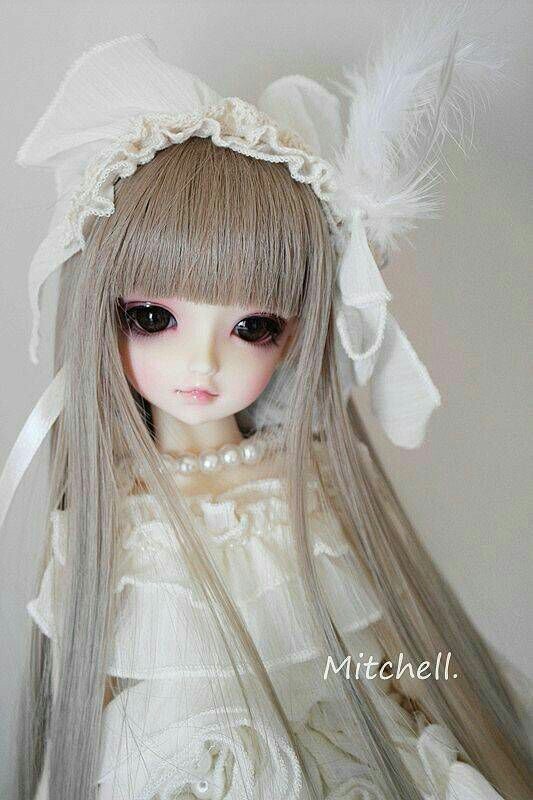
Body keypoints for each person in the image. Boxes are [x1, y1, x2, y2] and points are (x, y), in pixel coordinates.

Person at [4, 16, 532, 800]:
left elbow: (381, 656)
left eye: (252, 328)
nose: (202, 363)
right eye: (153, 317)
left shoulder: (306, 487)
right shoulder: (111, 515)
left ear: (296, 336)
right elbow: (98, 684)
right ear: (101, 310)